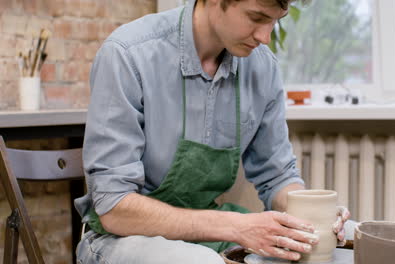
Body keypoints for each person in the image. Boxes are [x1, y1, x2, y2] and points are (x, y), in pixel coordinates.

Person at [74, 0, 350, 263]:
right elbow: (114, 208)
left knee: (343, 239)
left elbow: (277, 175)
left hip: (206, 234)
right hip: (118, 238)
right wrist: (236, 226)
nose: (265, 37)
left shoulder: (262, 67)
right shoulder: (128, 54)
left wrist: (312, 215)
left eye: (275, 22)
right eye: (256, 18)